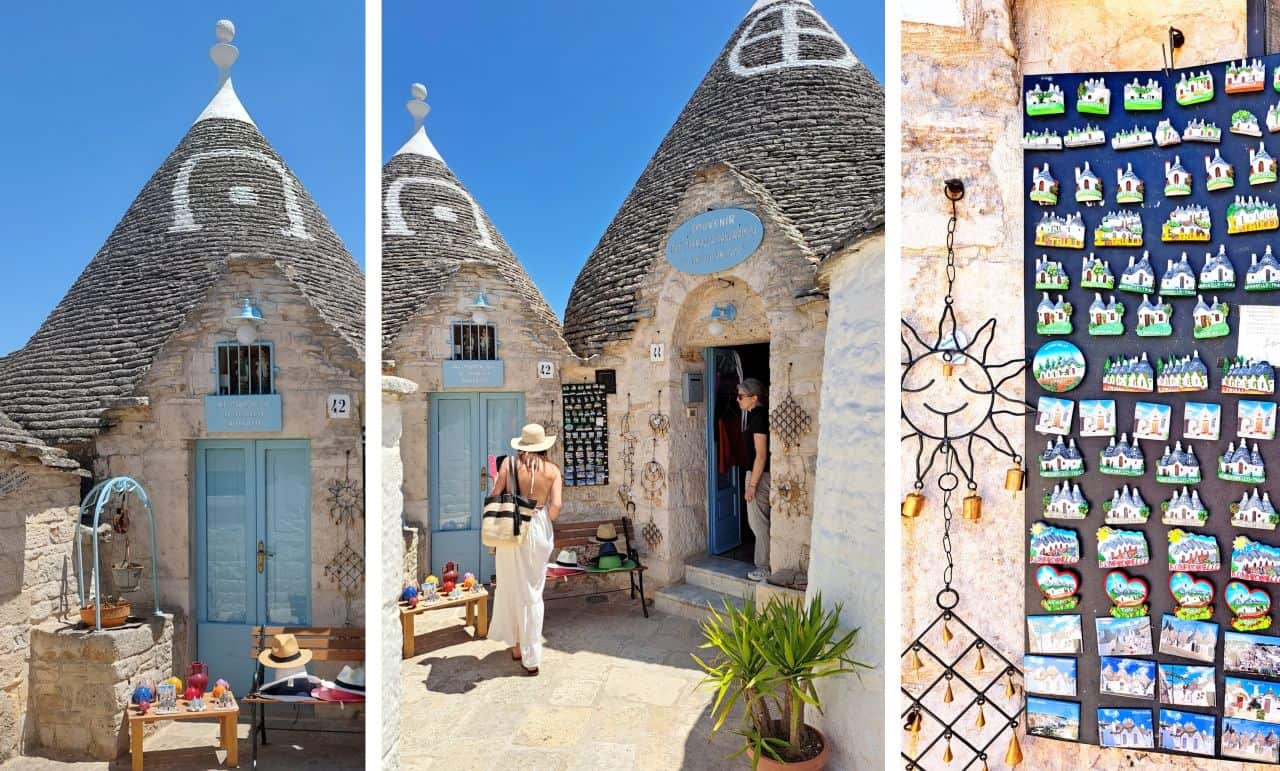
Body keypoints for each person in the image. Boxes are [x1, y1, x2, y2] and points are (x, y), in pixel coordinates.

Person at [488, 423, 562, 675]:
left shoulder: (508, 465)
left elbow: (495, 496)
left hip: (512, 527)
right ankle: (532, 657)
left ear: (522, 445)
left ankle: (518, 647)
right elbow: (556, 506)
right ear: (544, 446)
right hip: (539, 527)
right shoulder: (552, 470)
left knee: (510, 587)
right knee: (532, 591)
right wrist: (542, 520)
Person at [738, 378, 770, 581]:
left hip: (759, 476)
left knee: (758, 523)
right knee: (758, 522)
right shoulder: (754, 416)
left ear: (754, 397)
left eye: (741, 396)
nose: (738, 399)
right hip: (758, 474)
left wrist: (752, 485)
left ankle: (764, 566)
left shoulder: (758, 417)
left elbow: (761, 455)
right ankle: (765, 563)